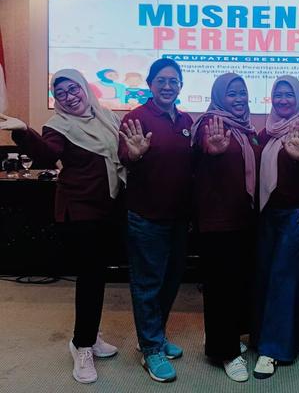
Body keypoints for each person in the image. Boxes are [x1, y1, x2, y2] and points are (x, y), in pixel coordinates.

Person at [0, 68, 126, 384]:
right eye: (61, 94)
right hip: (79, 211)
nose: (69, 97)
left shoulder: (106, 118)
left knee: (97, 276)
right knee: (90, 278)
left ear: (85, 88)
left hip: (107, 209)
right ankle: (81, 345)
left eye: (73, 89)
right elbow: (47, 154)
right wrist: (23, 132)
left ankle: (91, 335)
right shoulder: (58, 126)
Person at [118, 58, 192, 383]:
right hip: (146, 217)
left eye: (173, 80)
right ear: (150, 84)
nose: (167, 86)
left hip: (179, 217)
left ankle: (155, 336)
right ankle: (150, 349)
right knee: (148, 285)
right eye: (161, 80)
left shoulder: (186, 120)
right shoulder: (136, 117)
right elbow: (124, 155)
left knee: (171, 282)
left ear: (181, 85)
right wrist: (134, 154)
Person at [253, 75, 299, 379]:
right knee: (273, 279)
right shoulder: (266, 132)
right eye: (278, 94)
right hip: (270, 214)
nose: (283, 100)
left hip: (298, 215)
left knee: (283, 280)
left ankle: (273, 350)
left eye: (289, 94)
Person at [191, 73, 259, 383]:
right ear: (219, 96)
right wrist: (212, 149)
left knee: (236, 285)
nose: (239, 98)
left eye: (242, 92)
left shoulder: (246, 129)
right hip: (217, 221)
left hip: (242, 219)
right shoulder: (211, 124)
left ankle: (224, 337)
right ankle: (225, 352)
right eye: (231, 93)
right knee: (221, 288)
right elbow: (201, 149)